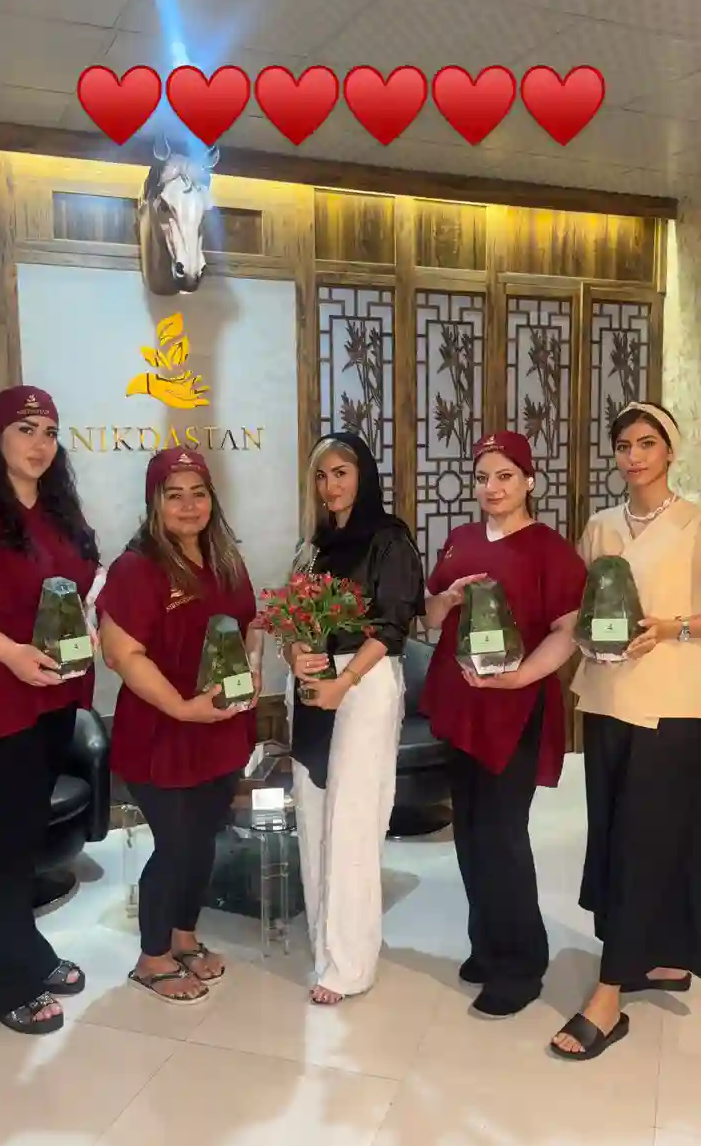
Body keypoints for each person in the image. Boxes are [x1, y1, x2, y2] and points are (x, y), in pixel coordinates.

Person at [551, 401, 701, 1060]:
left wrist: (671, 628)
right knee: (614, 836)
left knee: (646, 839)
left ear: (669, 451)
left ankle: (608, 997)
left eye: (646, 443)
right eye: (623, 445)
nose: (633, 456)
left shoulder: (694, 522)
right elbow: (584, 608)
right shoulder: (602, 525)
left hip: (672, 706)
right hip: (606, 699)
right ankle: (659, 956)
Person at [421, 430, 587, 1018]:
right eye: (482, 478)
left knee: (503, 834)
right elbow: (430, 614)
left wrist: (521, 678)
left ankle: (521, 964)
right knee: (469, 831)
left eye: (505, 476)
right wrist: (448, 599)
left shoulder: (549, 550)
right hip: (462, 702)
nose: (492, 488)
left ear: (529, 481)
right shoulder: (461, 540)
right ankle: (487, 945)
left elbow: (569, 630)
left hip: (513, 708)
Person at [98, 448, 261, 1005]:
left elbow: (250, 626)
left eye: (199, 493)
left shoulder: (225, 560)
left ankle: (184, 937)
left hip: (220, 727)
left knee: (203, 839)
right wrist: (182, 707)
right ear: (155, 503)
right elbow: (121, 653)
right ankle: (152, 958)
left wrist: (253, 672)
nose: (189, 506)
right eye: (175, 495)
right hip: (161, 730)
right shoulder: (136, 567)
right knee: (175, 843)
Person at [286, 432, 425, 1005]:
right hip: (313, 682)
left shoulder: (389, 539)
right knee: (314, 812)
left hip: (363, 683)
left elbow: (392, 628)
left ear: (363, 475)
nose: (330, 486)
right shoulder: (313, 547)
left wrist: (343, 683)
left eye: (341, 472)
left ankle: (351, 965)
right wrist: (295, 654)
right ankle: (327, 945)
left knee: (353, 821)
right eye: (321, 476)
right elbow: (291, 620)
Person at [0, 385, 102, 1035]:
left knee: (26, 836)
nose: (39, 444)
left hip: (55, 693)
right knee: (13, 838)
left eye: (50, 432)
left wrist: (93, 625)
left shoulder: (58, 510)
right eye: (25, 429)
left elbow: (81, 587)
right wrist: (11, 654)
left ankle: (23, 948)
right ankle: (2, 984)